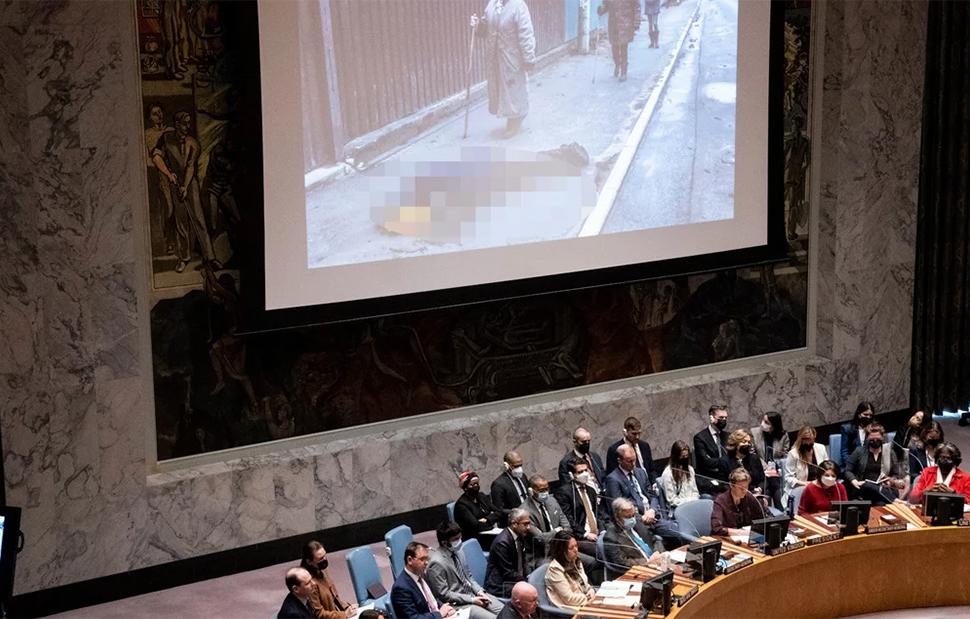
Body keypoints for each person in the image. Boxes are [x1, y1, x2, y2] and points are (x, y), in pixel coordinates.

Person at [151, 110, 217, 273]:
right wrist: (169, 174)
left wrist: (185, 187)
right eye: (184, 123)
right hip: (174, 183)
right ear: (177, 124)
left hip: (190, 183)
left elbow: (190, 167)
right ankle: (184, 257)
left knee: (199, 219)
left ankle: (210, 257)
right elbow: (156, 157)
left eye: (189, 123)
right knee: (181, 222)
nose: (188, 126)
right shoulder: (166, 138)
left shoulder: (193, 143)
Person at [470, 0, 536, 138]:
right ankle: (514, 115)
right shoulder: (492, 5)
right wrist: (477, 25)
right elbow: (486, 27)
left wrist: (529, 57)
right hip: (495, 57)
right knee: (501, 88)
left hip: (512, 57)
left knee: (513, 88)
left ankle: (516, 119)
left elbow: (526, 34)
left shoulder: (518, 6)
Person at [605, 444, 683, 548]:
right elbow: (618, 509)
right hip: (636, 521)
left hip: (653, 516)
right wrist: (642, 517)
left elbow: (652, 495)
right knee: (656, 541)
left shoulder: (640, 472)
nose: (633, 464)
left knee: (680, 531)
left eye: (634, 460)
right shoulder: (613, 479)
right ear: (619, 461)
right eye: (629, 461)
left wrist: (652, 510)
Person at [426, 522, 503, 619]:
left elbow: (469, 577)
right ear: (444, 543)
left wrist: (480, 592)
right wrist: (472, 600)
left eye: (460, 537)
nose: (460, 541)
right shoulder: (436, 563)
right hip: (458, 604)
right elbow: (444, 594)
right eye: (455, 539)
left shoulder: (459, 551)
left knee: (505, 611)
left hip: (474, 594)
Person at [844, 423, 908, 505]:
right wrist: (854, 481)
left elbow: (895, 474)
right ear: (867, 438)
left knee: (880, 504)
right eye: (872, 438)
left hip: (883, 488)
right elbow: (848, 470)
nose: (875, 441)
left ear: (882, 437)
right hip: (864, 489)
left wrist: (890, 481)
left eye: (877, 438)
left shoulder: (890, 452)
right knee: (867, 484)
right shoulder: (859, 451)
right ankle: (895, 500)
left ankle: (891, 499)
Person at [390, 542, 457, 619]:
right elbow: (412, 617)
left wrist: (445, 608)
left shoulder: (421, 574)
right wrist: (439, 614)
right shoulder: (401, 588)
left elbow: (432, 599)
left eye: (427, 558)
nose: (426, 562)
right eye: (422, 559)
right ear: (409, 560)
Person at [555, 458, 607, 558]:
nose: (585, 474)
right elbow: (568, 519)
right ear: (572, 475)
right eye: (580, 472)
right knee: (604, 551)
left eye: (586, 470)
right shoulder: (564, 493)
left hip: (598, 533)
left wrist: (602, 530)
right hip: (581, 537)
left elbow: (598, 513)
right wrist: (585, 534)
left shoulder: (591, 490)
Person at [602, 498, 663, 572]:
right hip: (641, 570)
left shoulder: (638, 521)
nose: (632, 519)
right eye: (628, 517)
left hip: (658, 562)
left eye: (633, 515)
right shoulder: (610, 537)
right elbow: (622, 562)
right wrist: (648, 561)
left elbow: (656, 539)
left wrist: (657, 552)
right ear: (617, 518)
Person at [300, 541, 357, 619]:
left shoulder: (320, 569)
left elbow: (334, 597)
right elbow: (319, 614)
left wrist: (347, 607)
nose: (325, 559)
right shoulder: (308, 583)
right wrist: (344, 615)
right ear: (309, 561)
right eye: (320, 558)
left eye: (325, 555)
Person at [484, 508, 533, 597]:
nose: (528, 527)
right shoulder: (502, 543)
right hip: (500, 585)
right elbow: (507, 572)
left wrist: (529, 576)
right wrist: (525, 581)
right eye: (525, 524)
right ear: (514, 524)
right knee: (530, 594)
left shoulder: (520, 536)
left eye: (529, 524)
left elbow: (523, 560)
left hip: (514, 578)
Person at [543, 532, 594, 611]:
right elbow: (569, 599)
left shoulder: (575, 561)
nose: (576, 550)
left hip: (585, 601)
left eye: (576, 546)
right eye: (571, 548)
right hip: (572, 609)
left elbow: (584, 584)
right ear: (562, 551)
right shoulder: (555, 569)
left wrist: (591, 590)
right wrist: (588, 597)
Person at [710, 468, 765, 537]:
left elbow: (762, 517)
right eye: (741, 488)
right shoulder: (720, 501)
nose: (744, 491)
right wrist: (741, 532)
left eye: (746, 487)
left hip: (745, 538)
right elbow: (716, 528)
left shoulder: (748, 496)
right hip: (725, 538)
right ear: (731, 485)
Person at [751, 412, 789, 509]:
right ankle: (772, 510)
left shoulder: (783, 435)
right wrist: (766, 467)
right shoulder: (754, 433)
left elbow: (785, 454)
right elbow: (753, 454)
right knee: (770, 485)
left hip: (776, 471)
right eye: (763, 420)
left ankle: (777, 510)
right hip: (761, 469)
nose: (762, 424)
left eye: (766, 422)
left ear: (774, 425)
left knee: (774, 485)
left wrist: (776, 467)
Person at [454, 471, 501, 551]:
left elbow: (499, 513)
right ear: (465, 487)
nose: (475, 486)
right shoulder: (461, 505)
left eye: (477, 483)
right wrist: (491, 519)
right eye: (472, 485)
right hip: (475, 539)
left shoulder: (481, 496)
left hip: (489, 533)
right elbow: (475, 526)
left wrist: (487, 519)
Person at [783, 426, 829, 504]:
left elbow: (826, 469)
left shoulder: (821, 448)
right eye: (805, 439)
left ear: (814, 438)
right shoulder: (793, 454)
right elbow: (788, 478)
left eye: (810, 439)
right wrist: (805, 483)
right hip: (801, 489)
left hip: (819, 488)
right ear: (800, 439)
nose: (808, 443)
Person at [596, 0, 641, 81]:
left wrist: (637, 22)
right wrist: (601, 10)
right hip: (613, 24)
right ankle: (617, 64)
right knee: (614, 47)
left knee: (624, 47)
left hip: (625, 23)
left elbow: (636, 6)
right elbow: (606, 5)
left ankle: (624, 71)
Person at [693, 405, 731, 496]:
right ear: (711, 418)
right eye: (721, 418)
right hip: (709, 479)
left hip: (727, 478)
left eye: (725, 418)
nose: (724, 420)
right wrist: (725, 461)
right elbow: (706, 462)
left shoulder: (728, 436)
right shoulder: (700, 438)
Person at [606, 416, 656, 481]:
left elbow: (652, 469)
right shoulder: (614, 450)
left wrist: (654, 482)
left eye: (639, 433)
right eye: (634, 434)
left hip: (648, 482)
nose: (637, 437)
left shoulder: (644, 446)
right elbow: (612, 476)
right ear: (625, 432)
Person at [558, 427, 605, 492]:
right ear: (575, 442)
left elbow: (603, 476)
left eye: (589, 441)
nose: (587, 444)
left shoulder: (595, 456)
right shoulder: (566, 462)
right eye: (583, 442)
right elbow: (567, 486)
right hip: (584, 494)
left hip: (602, 493)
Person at [722, 429, 766, 497]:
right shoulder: (725, 461)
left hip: (755, 494)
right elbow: (724, 484)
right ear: (736, 443)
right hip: (735, 495)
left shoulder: (754, 458)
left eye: (749, 442)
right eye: (744, 441)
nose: (747, 444)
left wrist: (760, 488)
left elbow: (762, 479)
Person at [659, 440, 699, 511]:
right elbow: (672, 500)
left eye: (687, 456)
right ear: (676, 457)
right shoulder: (667, 474)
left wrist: (694, 500)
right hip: (679, 508)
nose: (685, 459)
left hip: (694, 504)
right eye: (683, 456)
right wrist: (689, 501)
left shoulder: (690, 469)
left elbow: (695, 491)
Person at [490, 452, 530, 522]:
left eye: (520, 465)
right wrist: (517, 512)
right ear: (507, 465)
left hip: (529, 517)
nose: (519, 469)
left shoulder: (523, 476)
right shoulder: (498, 484)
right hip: (513, 521)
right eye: (516, 466)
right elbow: (498, 509)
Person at [840, 401, 875, 466]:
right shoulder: (847, 428)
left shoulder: (874, 428)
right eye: (865, 414)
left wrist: (871, 433)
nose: (868, 417)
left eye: (870, 415)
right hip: (852, 464)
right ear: (859, 414)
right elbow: (844, 453)